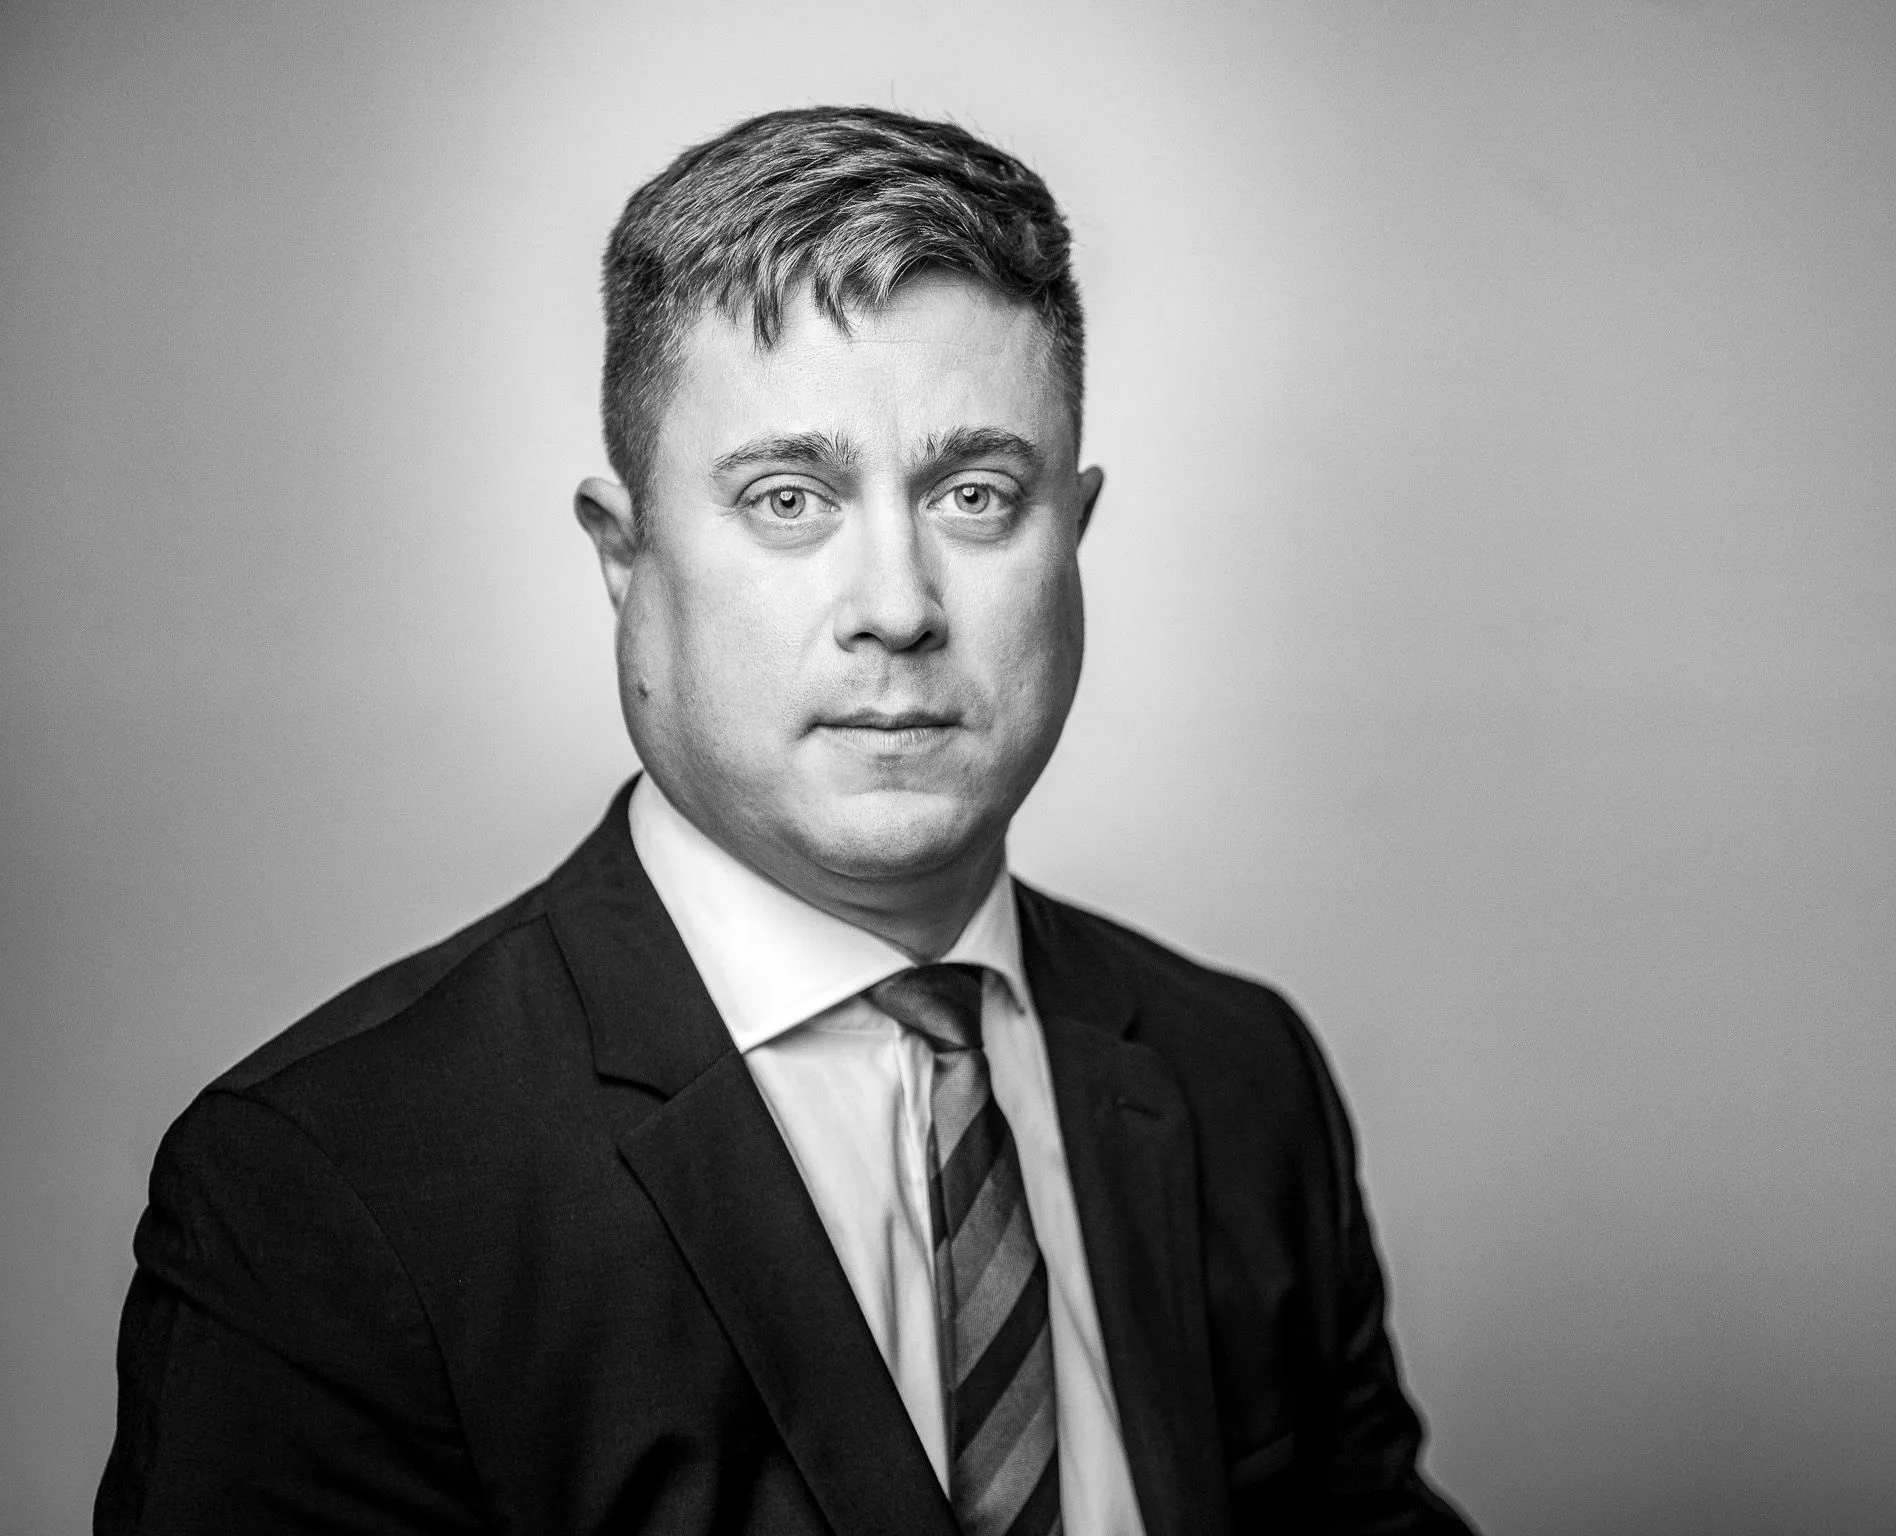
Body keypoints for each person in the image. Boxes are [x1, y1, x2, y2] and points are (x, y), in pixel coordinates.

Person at [96, 106, 1476, 1536]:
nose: (897, 604)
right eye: (789, 496)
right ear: (625, 557)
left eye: (977, 494)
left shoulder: (1238, 1081)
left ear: (1075, 534)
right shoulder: (329, 1188)